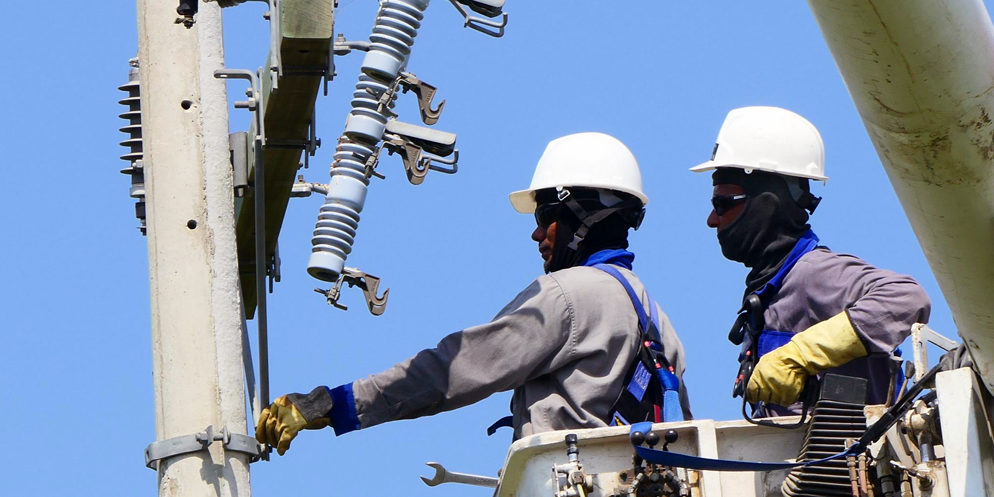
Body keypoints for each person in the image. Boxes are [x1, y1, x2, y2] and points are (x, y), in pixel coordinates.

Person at [257, 132, 689, 452]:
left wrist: (338, 403)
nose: (537, 232)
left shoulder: (567, 296)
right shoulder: (654, 318)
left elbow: (458, 367)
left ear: (583, 216)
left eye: (544, 215)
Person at [697, 106, 931, 412]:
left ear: (766, 205)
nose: (712, 220)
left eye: (722, 203)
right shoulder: (771, 289)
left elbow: (907, 297)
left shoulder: (812, 273)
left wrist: (799, 355)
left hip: (851, 457)